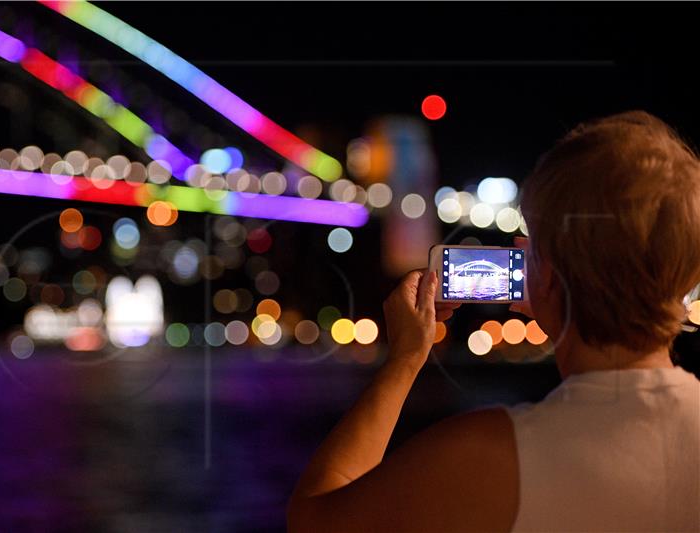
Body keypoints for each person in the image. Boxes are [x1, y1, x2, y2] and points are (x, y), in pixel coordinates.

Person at [287, 111, 700, 532]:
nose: (518, 247)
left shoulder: (491, 454)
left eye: (533, 242)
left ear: (553, 279)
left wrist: (406, 359)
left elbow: (314, 519)